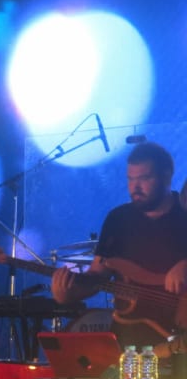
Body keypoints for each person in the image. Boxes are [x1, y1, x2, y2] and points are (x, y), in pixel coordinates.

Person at [51, 142, 187, 356]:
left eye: (144, 178)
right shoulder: (118, 219)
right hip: (129, 339)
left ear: (167, 176)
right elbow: (98, 276)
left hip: (178, 341)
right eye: (130, 179)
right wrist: (68, 294)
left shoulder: (184, 213)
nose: (135, 187)